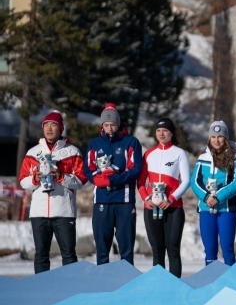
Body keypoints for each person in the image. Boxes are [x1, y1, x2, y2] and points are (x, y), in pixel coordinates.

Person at [18, 111, 86, 273]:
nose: (49, 128)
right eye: (46, 125)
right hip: (39, 213)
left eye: (53, 124)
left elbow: (81, 180)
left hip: (64, 212)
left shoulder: (73, 152)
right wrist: (35, 179)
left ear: (60, 128)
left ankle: (71, 287)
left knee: (68, 255)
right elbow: (22, 181)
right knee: (41, 255)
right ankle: (42, 287)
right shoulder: (32, 153)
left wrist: (61, 176)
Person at [83, 103, 143, 265]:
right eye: (106, 125)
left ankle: (127, 278)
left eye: (113, 125)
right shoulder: (95, 144)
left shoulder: (131, 142)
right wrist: (97, 179)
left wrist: (112, 180)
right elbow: (88, 169)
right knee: (102, 250)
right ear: (102, 125)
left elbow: (135, 169)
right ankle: (103, 279)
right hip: (102, 200)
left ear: (119, 124)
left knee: (126, 250)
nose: (110, 129)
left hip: (124, 200)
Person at [137, 118, 190, 277]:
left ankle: (175, 287)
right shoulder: (149, 153)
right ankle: (159, 286)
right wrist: (146, 199)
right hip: (151, 207)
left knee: (172, 249)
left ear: (171, 133)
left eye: (165, 130)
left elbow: (186, 181)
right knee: (157, 250)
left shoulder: (179, 153)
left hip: (173, 207)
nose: (161, 133)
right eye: (158, 130)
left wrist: (171, 198)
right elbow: (140, 181)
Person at [191, 120, 236, 265]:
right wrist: (206, 197)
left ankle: (231, 278)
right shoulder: (202, 159)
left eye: (220, 136)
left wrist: (218, 197)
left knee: (227, 249)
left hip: (227, 208)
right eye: (213, 137)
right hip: (206, 208)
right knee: (210, 250)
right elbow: (195, 182)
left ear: (226, 138)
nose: (216, 140)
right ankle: (211, 278)